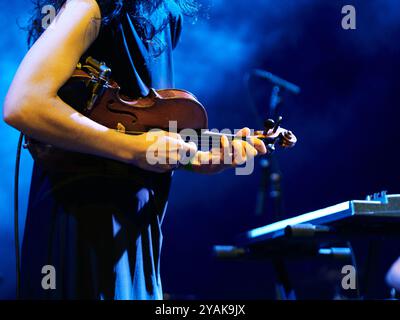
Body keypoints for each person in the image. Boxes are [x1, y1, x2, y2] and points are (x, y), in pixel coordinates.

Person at [3, 0, 266, 299]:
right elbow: (23, 105)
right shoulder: (89, 5)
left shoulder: (162, 19)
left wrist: (200, 158)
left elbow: (142, 131)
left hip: (136, 227)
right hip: (85, 223)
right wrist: (134, 150)